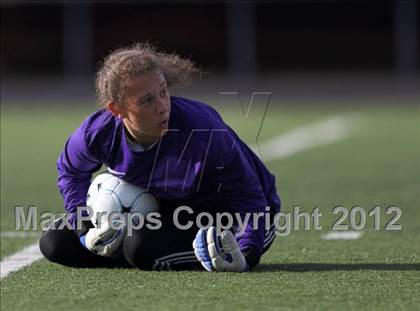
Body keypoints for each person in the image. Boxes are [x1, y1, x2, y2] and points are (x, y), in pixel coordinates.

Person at [39, 42, 281, 272]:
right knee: (55, 243)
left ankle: (150, 254)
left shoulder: (202, 129)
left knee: (140, 247)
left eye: (163, 92)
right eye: (147, 100)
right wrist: (84, 225)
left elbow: (248, 195)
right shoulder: (97, 133)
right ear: (116, 109)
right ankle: (141, 252)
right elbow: (71, 172)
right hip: (170, 208)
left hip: (235, 212)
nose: (163, 106)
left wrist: (247, 251)